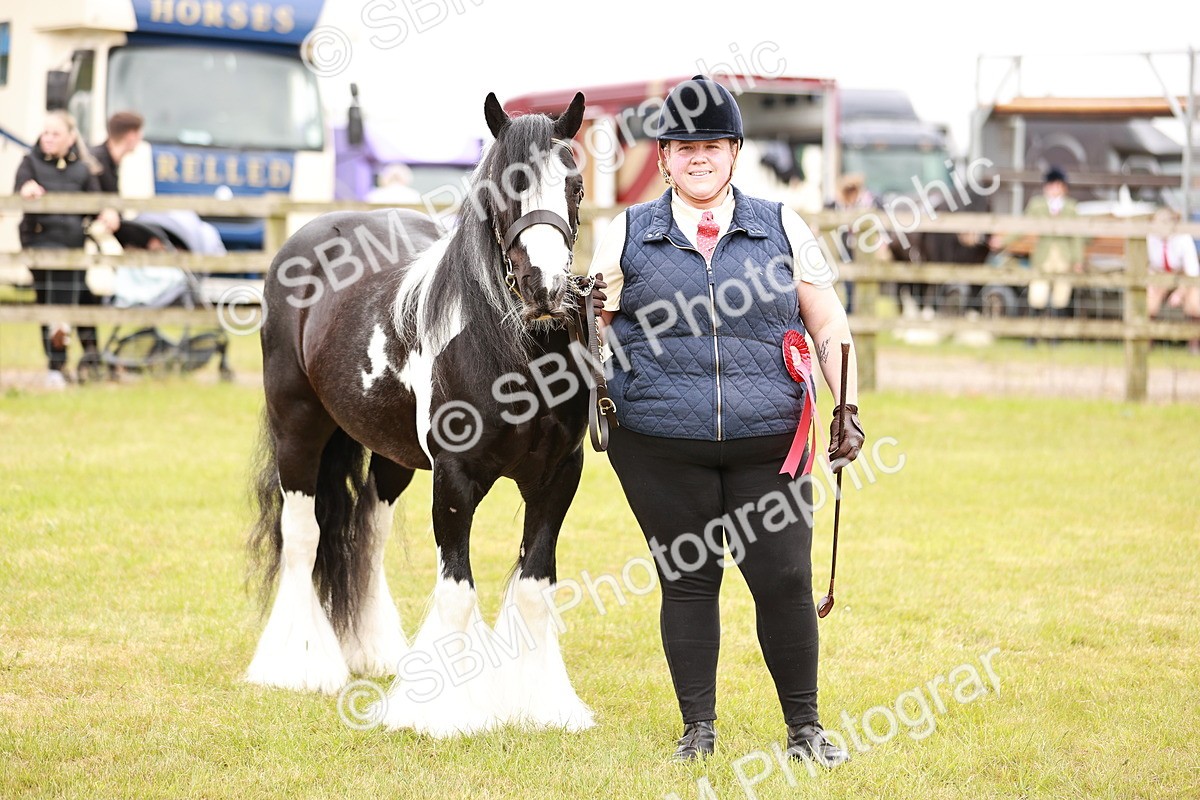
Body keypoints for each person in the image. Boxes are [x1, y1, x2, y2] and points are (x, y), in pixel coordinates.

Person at [591, 76, 865, 767]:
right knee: (687, 580)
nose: (698, 157)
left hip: (770, 443)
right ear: (663, 158)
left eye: (711, 144)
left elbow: (826, 319)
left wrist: (847, 404)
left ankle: (805, 729)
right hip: (658, 444)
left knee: (782, 581)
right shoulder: (624, 232)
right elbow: (593, 328)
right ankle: (698, 731)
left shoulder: (782, 224)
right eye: (683, 147)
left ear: (735, 151)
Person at [15, 110, 117, 386]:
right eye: (45, 132)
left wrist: (107, 213)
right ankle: (55, 367)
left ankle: (75, 364)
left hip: (73, 249)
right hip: (40, 245)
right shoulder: (30, 163)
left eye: (55, 133)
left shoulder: (82, 169)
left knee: (70, 305)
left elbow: (97, 203)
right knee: (50, 303)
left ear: (70, 138)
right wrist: (27, 189)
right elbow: (21, 187)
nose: (47, 138)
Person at [992, 166, 1085, 325]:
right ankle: (1033, 334)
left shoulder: (1071, 207)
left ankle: (1055, 336)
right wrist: (1004, 241)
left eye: (1058, 185)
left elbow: (1077, 237)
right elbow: (1024, 227)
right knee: (1037, 294)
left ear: (1063, 187)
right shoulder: (1037, 205)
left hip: (1064, 257)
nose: (1054, 189)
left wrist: (1078, 260)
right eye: (1051, 185)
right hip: (1043, 256)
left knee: (1061, 296)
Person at [1146, 205, 1200, 354]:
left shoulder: (1184, 238)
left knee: (1194, 303)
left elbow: (1192, 272)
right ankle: (1147, 343)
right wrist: (1149, 281)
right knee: (1148, 301)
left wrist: (1180, 292)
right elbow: (1148, 264)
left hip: (1183, 277)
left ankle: (1193, 344)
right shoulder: (1151, 238)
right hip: (1160, 275)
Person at [90, 111, 144, 196]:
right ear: (131, 135)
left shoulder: (111, 162)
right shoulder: (95, 163)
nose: (141, 138)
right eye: (138, 133)